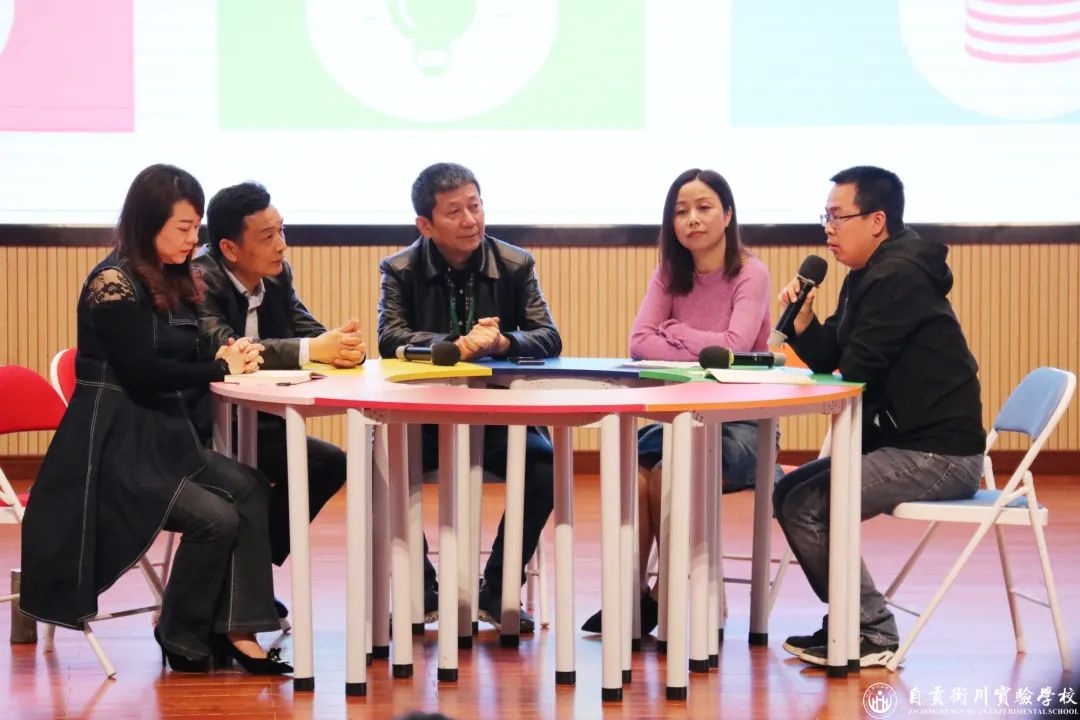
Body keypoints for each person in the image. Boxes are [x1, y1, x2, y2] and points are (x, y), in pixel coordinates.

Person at [19, 164, 292, 674]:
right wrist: (218, 367)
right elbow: (143, 373)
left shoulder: (175, 276)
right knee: (216, 518)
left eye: (196, 227)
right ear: (149, 223)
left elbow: (183, 352)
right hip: (114, 446)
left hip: (165, 436)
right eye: (184, 227)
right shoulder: (112, 284)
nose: (194, 239)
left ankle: (238, 628)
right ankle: (180, 632)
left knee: (251, 487)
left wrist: (226, 354)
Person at [774, 165, 985, 668]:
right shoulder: (866, 275)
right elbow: (832, 357)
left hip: (939, 455)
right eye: (825, 217)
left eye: (837, 217)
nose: (828, 229)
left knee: (804, 504)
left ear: (876, 220)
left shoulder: (898, 275)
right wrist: (803, 322)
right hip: (905, 445)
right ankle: (854, 620)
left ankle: (870, 630)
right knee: (789, 493)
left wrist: (823, 360)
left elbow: (856, 371)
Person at [581, 168, 777, 635]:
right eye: (681, 211)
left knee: (668, 471)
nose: (692, 219)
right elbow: (638, 342)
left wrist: (675, 331)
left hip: (742, 426)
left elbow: (733, 347)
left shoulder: (751, 273)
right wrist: (701, 344)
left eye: (704, 208)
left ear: (727, 215)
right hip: (676, 421)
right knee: (635, 470)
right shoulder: (669, 274)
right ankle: (631, 595)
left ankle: (662, 597)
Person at [377, 162, 562, 633]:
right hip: (423, 420)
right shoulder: (399, 269)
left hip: (499, 418)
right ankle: (422, 590)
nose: (470, 220)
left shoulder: (515, 263)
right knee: (375, 464)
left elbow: (548, 336)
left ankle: (498, 589)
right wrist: (452, 347)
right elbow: (389, 338)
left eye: (475, 206)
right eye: (454, 211)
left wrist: (503, 343)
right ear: (425, 224)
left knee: (546, 468)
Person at [194, 181, 364, 568]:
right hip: (208, 427)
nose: (281, 245)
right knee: (247, 484)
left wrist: (343, 346)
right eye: (267, 236)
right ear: (229, 249)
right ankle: (242, 578)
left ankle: (251, 569)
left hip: (260, 424)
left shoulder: (276, 274)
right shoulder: (199, 280)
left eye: (281, 230)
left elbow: (309, 332)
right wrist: (313, 349)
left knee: (329, 463)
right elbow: (230, 347)